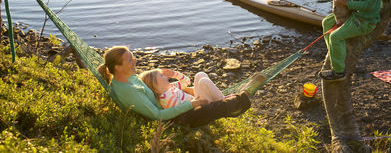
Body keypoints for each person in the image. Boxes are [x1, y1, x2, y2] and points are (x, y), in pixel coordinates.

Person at [97, 46, 266, 127]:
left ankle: (229, 100)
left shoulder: (130, 78)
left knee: (200, 77)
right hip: (175, 120)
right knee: (211, 108)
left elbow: (157, 91)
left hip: (174, 104)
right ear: (118, 67)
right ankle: (243, 96)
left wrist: (181, 89)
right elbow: (157, 115)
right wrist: (191, 104)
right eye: (130, 60)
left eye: (133, 57)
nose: (135, 61)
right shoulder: (128, 91)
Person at [139, 69, 225, 109]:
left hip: (196, 100)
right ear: (155, 84)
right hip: (198, 106)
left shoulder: (170, 86)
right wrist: (196, 99)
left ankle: (219, 97)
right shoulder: (165, 99)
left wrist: (175, 74)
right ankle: (224, 102)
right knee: (203, 81)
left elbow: (187, 82)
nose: (166, 76)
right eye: (161, 76)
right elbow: (184, 108)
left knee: (200, 74)